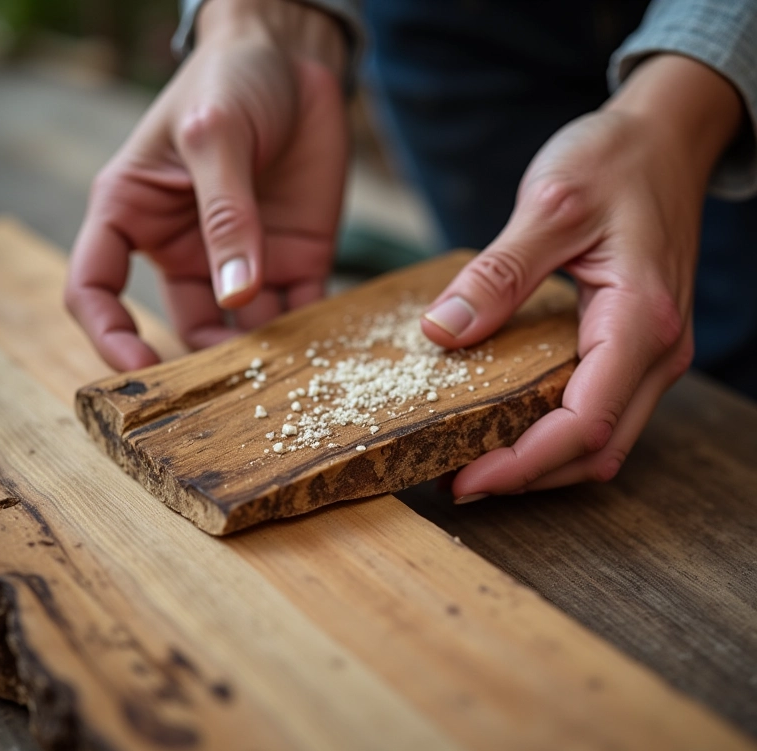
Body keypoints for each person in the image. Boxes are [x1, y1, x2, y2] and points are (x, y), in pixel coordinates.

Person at [65, 0, 757, 502]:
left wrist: (688, 103)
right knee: (545, 337)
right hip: (449, 26)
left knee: (709, 373)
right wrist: (265, 20)